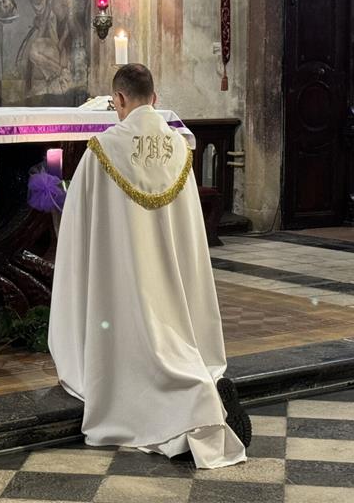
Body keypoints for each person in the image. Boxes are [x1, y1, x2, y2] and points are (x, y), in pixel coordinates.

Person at [49, 64, 250, 469]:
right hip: (172, 280)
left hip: (122, 282)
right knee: (175, 343)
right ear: (155, 98)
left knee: (135, 348)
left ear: (119, 99)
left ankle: (191, 406)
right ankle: (200, 395)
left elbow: (78, 228)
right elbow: (190, 230)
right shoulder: (180, 147)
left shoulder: (102, 150)